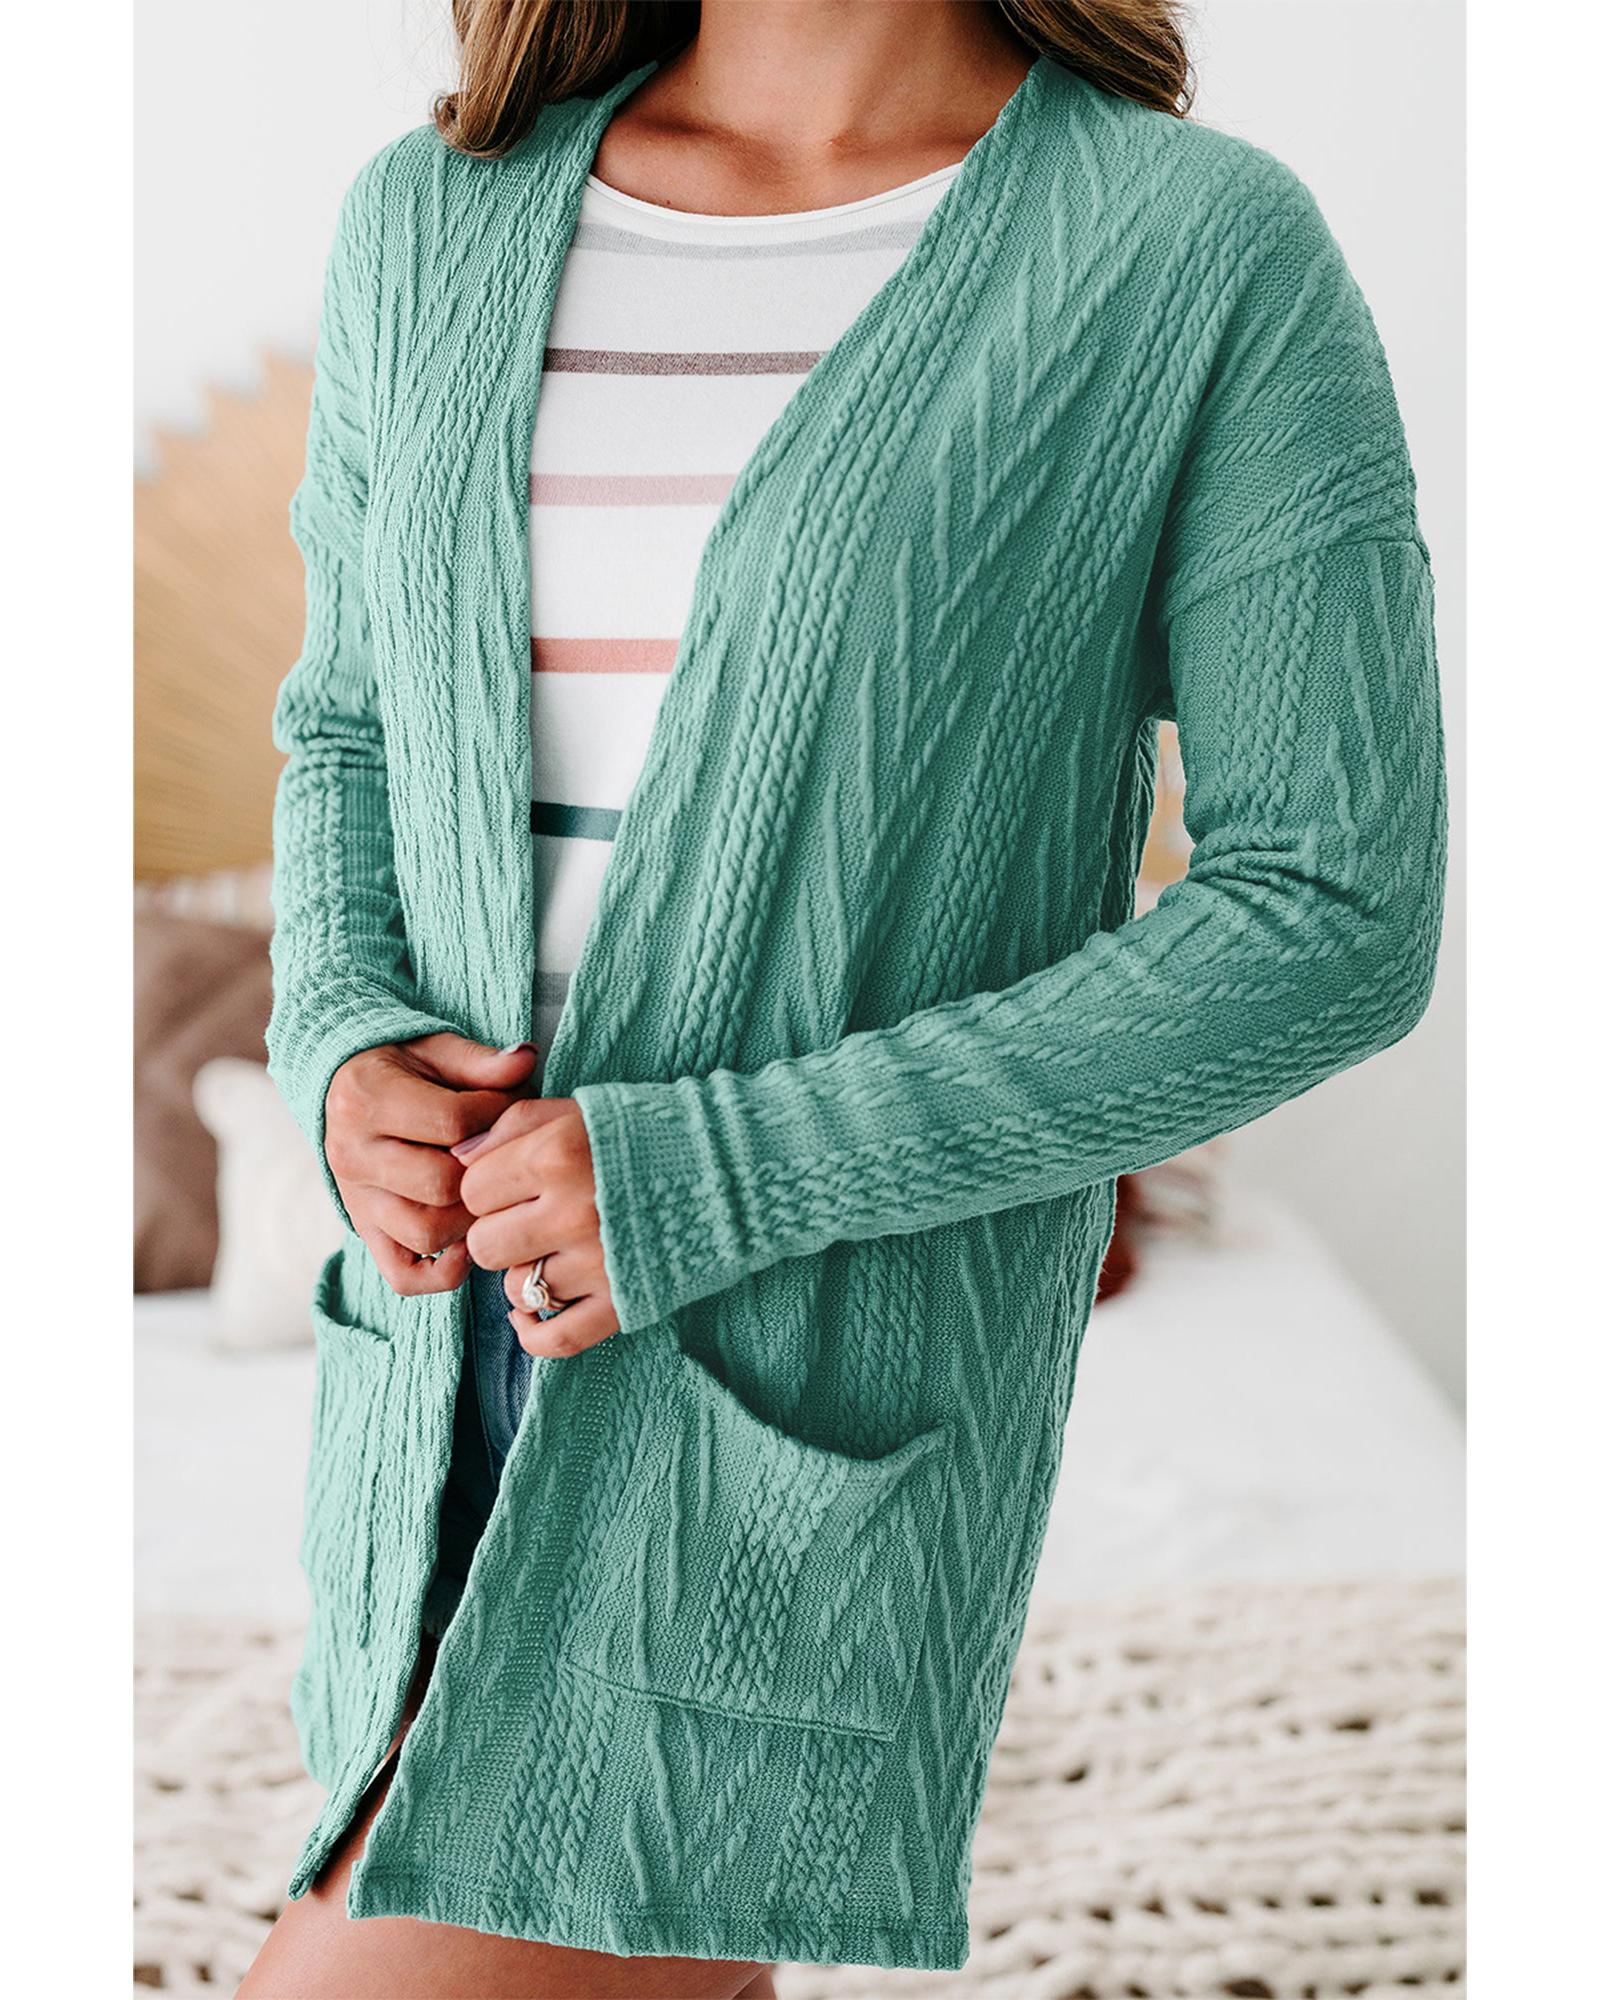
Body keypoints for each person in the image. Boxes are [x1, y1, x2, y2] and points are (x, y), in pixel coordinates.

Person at [240, 1, 1447, 1993]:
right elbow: (352, 728)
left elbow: (1331, 910)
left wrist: (720, 1168)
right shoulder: (432, 217)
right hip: (429, 1373)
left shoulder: (1192, 250)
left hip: (797, 1362)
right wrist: (341, 1039)